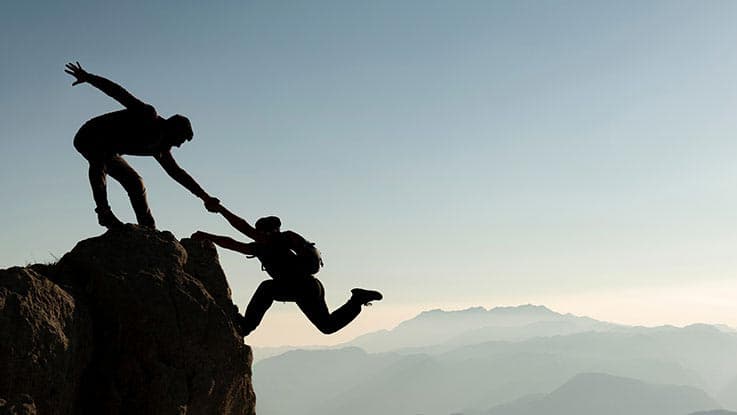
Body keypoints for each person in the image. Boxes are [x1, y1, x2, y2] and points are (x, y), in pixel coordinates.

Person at [65, 62, 218, 229]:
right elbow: (118, 93)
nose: (177, 147)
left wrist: (205, 197)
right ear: (172, 130)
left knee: (135, 182)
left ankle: (148, 228)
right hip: (89, 135)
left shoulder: (160, 148)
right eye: (178, 142)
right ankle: (104, 212)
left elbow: (178, 174)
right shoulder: (147, 115)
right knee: (100, 158)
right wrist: (88, 77)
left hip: (110, 151)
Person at [192, 203, 382, 336]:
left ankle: (246, 326)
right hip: (308, 287)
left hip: (301, 287)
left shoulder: (281, 239)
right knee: (327, 326)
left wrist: (221, 211)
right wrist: (207, 236)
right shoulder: (263, 246)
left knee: (267, 288)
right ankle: (357, 299)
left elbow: (241, 231)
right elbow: (233, 243)